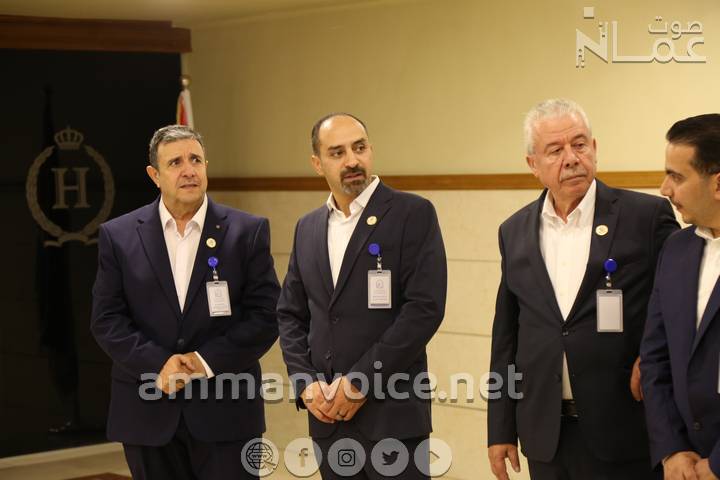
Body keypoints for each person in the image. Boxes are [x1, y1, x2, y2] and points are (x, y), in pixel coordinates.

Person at [487, 98, 679, 480]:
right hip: (546, 435)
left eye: (579, 145)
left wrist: (654, 355)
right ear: (533, 164)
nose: (571, 158)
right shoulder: (514, 231)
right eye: (555, 150)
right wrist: (500, 428)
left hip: (624, 429)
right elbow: (506, 336)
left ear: (594, 147)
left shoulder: (645, 216)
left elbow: (679, 305)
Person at [91, 125, 280, 480]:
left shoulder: (247, 231)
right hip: (147, 411)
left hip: (226, 413)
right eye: (175, 162)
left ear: (206, 166)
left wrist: (202, 363)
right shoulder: (118, 236)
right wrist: (158, 364)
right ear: (155, 175)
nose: (188, 170)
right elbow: (107, 320)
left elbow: (266, 316)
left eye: (195, 160)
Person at [276, 113, 447, 479]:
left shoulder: (412, 213)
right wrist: (305, 383)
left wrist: (360, 381)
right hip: (328, 420)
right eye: (337, 152)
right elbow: (290, 314)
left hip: (393, 419)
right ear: (317, 163)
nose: (352, 160)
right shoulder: (308, 227)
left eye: (359, 148)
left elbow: (424, 310)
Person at [641, 113, 720, 480]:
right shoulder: (675, 249)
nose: (664, 189)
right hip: (683, 466)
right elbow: (655, 359)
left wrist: (716, 466)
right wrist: (671, 449)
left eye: (677, 177)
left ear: (717, 184)